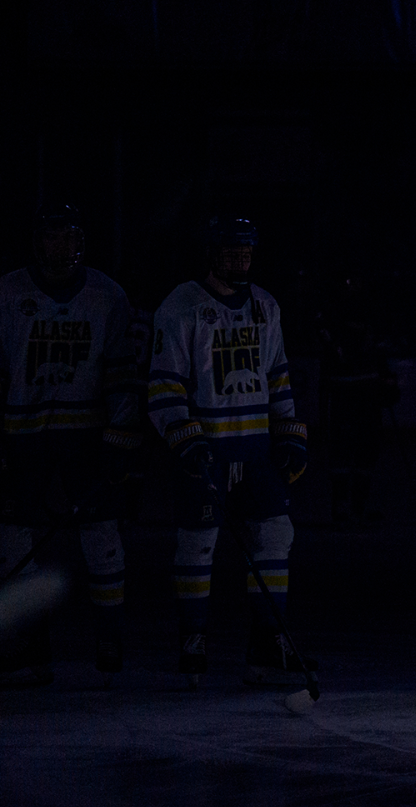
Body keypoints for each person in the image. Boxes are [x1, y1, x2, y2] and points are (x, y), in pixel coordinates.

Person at [147, 216, 311, 686]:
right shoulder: (182, 306)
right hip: (208, 450)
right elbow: (164, 383)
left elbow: (277, 374)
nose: (240, 262)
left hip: (256, 450)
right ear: (212, 255)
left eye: (246, 254)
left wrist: (289, 433)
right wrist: (184, 437)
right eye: (231, 254)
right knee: (198, 542)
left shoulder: (265, 305)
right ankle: (193, 638)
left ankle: (268, 642)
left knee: (275, 535)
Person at [0, 204, 142, 686]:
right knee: (14, 540)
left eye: (68, 237)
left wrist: (119, 437)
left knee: (102, 536)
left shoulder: (107, 295)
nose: (59, 247)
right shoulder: (8, 293)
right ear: (37, 242)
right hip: (23, 434)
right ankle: (30, 646)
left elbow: (122, 371)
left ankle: (110, 639)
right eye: (51, 237)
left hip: (86, 434)